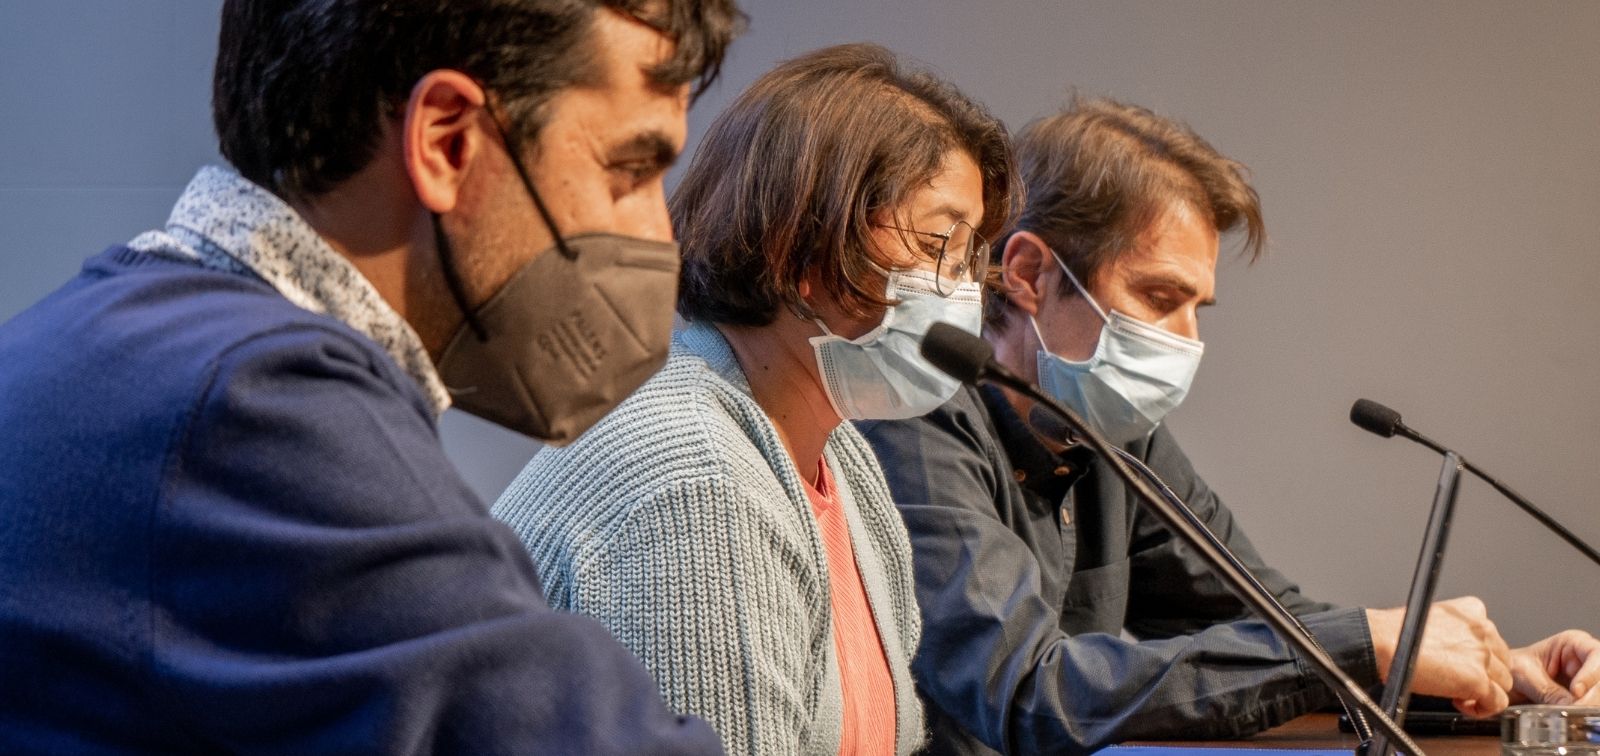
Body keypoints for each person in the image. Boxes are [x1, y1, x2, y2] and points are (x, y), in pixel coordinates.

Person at [0, 0, 743, 752]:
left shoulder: (119, 338)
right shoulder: (255, 410)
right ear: (447, 141)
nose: (660, 232)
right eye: (630, 169)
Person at [856, 97, 1600, 755]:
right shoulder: (914, 422)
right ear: (1028, 273)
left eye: (1197, 309)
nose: (1188, 342)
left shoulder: (1114, 436)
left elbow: (1275, 622)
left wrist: (1494, 667)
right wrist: (1366, 642)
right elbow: (1029, 693)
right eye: (1158, 295)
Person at [492, 43, 1020, 755]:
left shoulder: (843, 464)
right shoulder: (696, 482)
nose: (959, 289)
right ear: (797, 248)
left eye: (967, 257)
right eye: (935, 245)